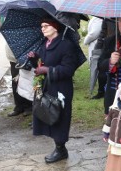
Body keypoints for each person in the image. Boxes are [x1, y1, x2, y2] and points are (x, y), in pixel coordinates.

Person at [29, 19, 83, 163]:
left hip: (61, 88)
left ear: (55, 27)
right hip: (47, 86)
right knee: (47, 113)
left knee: (59, 116)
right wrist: (34, 59)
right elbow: (41, 63)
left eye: (46, 26)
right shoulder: (44, 44)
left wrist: (47, 70)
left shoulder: (66, 45)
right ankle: (59, 147)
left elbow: (68, 69)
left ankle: (60, 148)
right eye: (42, 26)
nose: (43, 28)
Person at [84, 16, 104, 97]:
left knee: (96, 66)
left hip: (96, 44)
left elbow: (94, 33)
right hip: (95, 44)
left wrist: (86, 40)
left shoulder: (100, 19)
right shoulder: (96, 18)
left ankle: (99, 89)